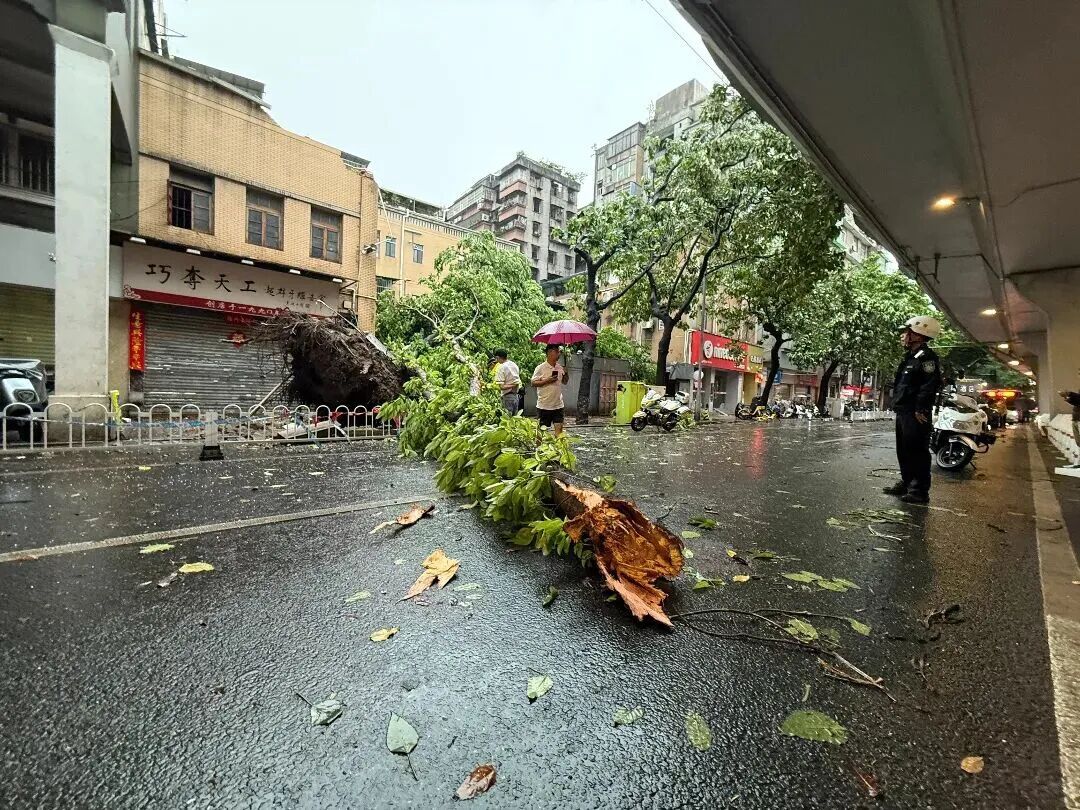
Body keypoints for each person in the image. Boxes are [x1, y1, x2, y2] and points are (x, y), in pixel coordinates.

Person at [883, 315, 942, 504]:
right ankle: (907, 482)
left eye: (906, 332)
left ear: (918, 334)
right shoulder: (910, 357)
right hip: (904, 410)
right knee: (904, 450)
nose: (903, 336)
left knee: (917, 450)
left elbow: (928, 385)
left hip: (916, 412)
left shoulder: (928, 358)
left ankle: (919, 491)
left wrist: (921, 409)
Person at [531, 344, 569, 436]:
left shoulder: (560, 367)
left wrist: (566, 373)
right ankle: (539, 445)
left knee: (559, 432)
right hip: (544, 406)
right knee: (540, 433)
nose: (559, 354)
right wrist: (548, 380)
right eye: (557, 351)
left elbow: (565, 382)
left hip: (558, 405)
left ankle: (557, 445)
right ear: (550, 353)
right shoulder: (540, 368)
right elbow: (533, 383)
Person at [493, 349, 521, 415]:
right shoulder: (514, 365)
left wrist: (513, 385)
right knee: (515, 418)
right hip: (515, 396)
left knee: (507, 418)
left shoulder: (502, 367)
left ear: (497, 357)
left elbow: (502, 387)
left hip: (507, 397)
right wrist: (515, 384)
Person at [1061, 389, 1080, 465]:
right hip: (1076, 420)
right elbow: (1076, 401)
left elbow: (1078, 399)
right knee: (1078, 442)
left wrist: (1069, 393)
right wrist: (1066, 397)